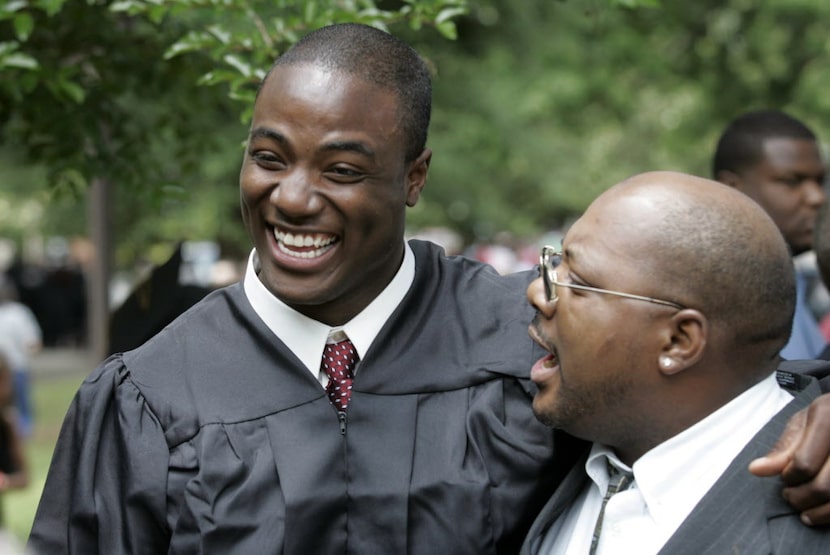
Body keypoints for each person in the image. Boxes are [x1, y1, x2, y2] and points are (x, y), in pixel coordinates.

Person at [27, 24, 830, 554]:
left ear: (414, 179)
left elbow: (721, 392)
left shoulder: (533, 337)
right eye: (269, 158)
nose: (294, 198)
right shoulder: (146, 396)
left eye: (342, 170)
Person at [521, 171, 828, 554]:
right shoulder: (554, 436)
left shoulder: (808, 518)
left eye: (578, 282)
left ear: (679, 341)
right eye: (555, 263)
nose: (537, 292)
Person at [712, 109, 826, 360]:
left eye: (820, 181)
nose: (817, 197)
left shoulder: (791, 283)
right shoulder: (718, 303)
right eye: (792, 181)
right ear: (732, 188)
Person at [0, 276, 42, 437]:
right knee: (22, 409)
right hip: (18, 368)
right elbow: (33, 344)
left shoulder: (18, 313)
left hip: (12, 369)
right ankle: (21, 437)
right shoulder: (19, 313)